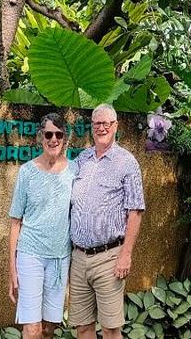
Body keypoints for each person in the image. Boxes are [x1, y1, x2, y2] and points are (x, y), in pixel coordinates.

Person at [69, 104, 145, 339]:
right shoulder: (82, 159)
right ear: (92, 127)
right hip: (79, 258)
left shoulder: (126, 162)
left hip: (110, 258)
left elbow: (135, 211)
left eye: (106, 124)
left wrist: (126, 254)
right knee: (83, 327)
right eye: (97, 124)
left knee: (111, 329)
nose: (101, 128)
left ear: (115, 126)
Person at [8, 113, 77, 339]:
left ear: (65, 138)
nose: (53, 139)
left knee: (48, 328)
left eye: (59, 134)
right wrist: (12, 268)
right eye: (49, 134)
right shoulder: (27, 172)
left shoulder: (74, 171)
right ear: (41, 137)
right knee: (33, 328)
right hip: (30, 256)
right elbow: (15, 222)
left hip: (59, 258)